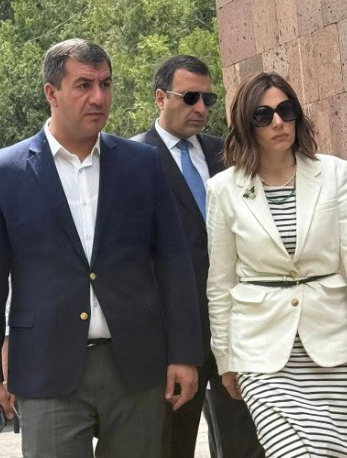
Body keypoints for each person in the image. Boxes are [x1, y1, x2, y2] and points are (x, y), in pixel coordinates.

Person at [0, 38, 204, 457]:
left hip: (136, 367)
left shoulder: (142, 164)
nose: (98, 97)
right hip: (47, 370)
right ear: (51, 93)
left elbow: (174, 264)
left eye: (105, 84)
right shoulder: (3, 173)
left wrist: (184, 353)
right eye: (83, 85)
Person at [205, 72, 347, 457]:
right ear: (246, 125)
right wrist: (225, 358)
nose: (277, 122)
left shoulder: (334, 173)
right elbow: (220, 283)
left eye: (285, 110)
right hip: (261, 352)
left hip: (333, 346)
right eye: (263, 115)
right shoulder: (223, 190)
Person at [131, 55, 263, 458]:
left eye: (208, 98)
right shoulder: (131, 159)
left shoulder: (227, 154)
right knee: (172, 445)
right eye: (190, 97)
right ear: (160, 98)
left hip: (234, 327)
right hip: (170, 337)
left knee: (246, 444)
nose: (201, 108)